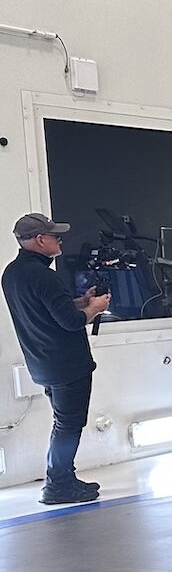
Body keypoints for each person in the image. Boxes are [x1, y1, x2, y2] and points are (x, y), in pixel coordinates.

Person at [4, 213, 110, 504]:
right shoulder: (43, 275)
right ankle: (58, 484)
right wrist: (95, 308)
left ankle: (63, 478)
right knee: (69, 424)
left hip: (43, 362)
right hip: (66, 364)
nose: (59, 239)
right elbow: (71, 322)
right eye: (54, 235)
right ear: (40, 240)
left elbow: (47, 310)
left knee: (63, 422)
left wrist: (82, 301)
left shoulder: (12, 273)